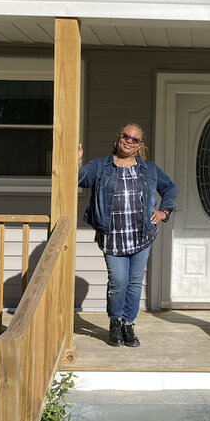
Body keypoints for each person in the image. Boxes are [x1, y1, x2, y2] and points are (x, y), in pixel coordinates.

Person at [78, 123, 176, 347]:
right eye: (126, 136)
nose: (129, 141)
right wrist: (76, 160)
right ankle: (115, 322)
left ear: (140, 145)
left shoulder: (149, 169)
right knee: (118, 282)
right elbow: (81, 179)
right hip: (113, 236)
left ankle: (128, 325)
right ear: (118, 137)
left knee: (134, 283)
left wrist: (163, 211)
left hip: (142, 236)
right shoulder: (100, 166)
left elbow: (169, 188)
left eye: (135, 139)